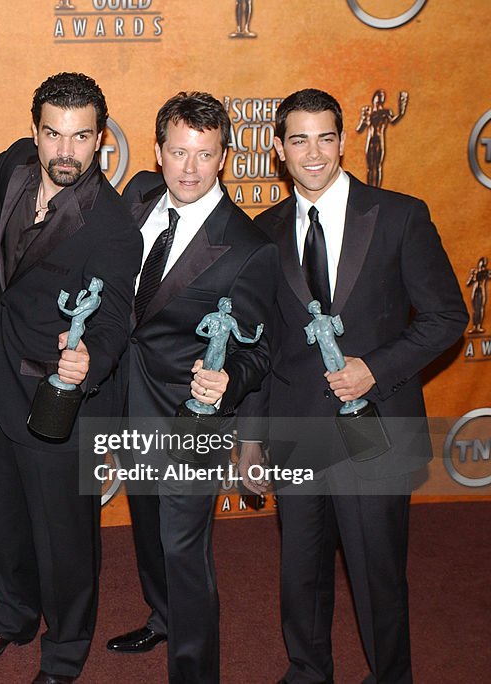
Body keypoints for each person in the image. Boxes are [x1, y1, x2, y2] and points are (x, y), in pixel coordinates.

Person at [238, 88, 467, 684]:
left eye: (325, 138)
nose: (313, 153)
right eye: (298, 139)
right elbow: (262, 346)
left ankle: (391, 676)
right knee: (301, 570)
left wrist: (377, 366)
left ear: (342, 142)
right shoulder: (261, 234)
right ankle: (308, 670)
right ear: (277, 151)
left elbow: (447, 317)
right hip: (296, 429)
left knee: (377, 573)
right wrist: (253, 439)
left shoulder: (399, 215)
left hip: (377, 426)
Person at [0, 72, 142, 684]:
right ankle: (13, 616)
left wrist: (91, 361)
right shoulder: (10, 165)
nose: (66, 151)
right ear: (34, 132)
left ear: (100, 140)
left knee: (65, 538)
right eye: (54, 135)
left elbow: (115, 314)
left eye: (81, 137)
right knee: (5, 520)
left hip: (62, 397)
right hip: (1, 379)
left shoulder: (110, 222)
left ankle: (65, 652)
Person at [106, 92, 278, 683]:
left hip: (190, 420)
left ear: (223, 157)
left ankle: (195, 670)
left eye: (204, 155)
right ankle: (163, 616)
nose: (189, 168)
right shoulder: (135, 199)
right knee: (149, 532)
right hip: (124, 402)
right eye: (178, 152)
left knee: (184, 548)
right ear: (157, 152)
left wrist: (230, 381)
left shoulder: (248, 247)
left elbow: (262, 349)